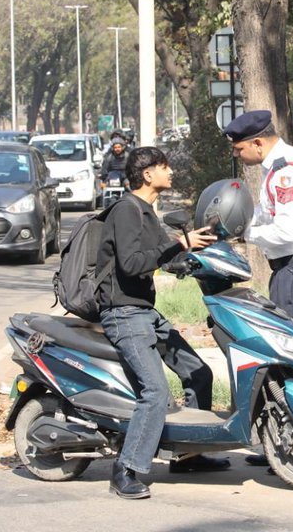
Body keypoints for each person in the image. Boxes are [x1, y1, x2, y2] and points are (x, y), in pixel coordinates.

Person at [97, 146, 225, 499]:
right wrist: (179, 244)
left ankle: (188, 456)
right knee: (154, 392)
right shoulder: (126, 210)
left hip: (144, 311)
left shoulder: (146, 212)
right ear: (147, 174)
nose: (171, 172)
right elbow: (132, 264)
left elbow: (162, 259)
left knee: (198, 373)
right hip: (123, 313)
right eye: (165, 167)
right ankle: (125, 469)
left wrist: (193, 252)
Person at [224, 110, 293, 379]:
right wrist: (235, 220)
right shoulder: (276, 166)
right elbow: (268, 211)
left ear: (258, 143)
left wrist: (245, 234)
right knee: (288, 352)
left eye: (239, 148)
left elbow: (286, 232)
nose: (236, 154)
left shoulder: (286, 171)